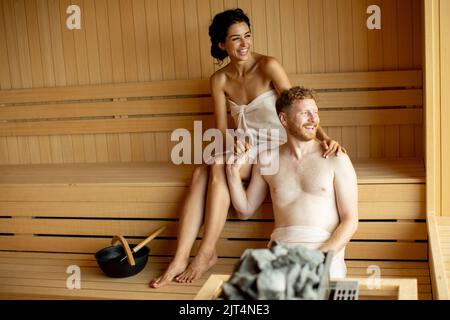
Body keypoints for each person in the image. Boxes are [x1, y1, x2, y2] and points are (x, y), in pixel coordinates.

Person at [149, 8, 345, 288]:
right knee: (200, 174)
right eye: (235, 39)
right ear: (222, 45)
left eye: (247, 36)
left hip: (276, 146)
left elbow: (297, 106)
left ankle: (205, 251)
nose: (244, 44)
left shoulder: (268, 66)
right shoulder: (219, 80)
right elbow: (219, 129)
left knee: (215, 166)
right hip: (244, 148)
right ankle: (181, 257)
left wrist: (323, 138)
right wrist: (234, 142)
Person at [226, 86, 358, 278]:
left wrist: (318, 257)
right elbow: (245, 209)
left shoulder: (336, 158)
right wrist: (232, 171)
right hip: (280, 254)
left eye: (315, 113)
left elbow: (350, 221)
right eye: (305, 113)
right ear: (284, 119)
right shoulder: (267, 159)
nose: (314, 119)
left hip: (324, 253)